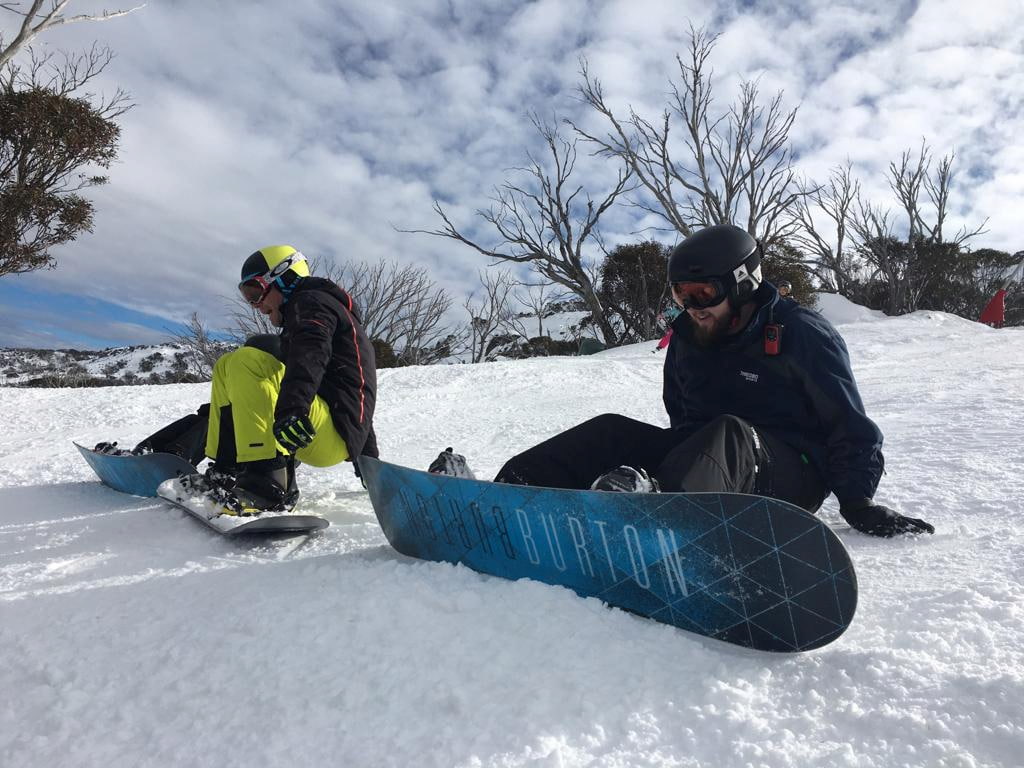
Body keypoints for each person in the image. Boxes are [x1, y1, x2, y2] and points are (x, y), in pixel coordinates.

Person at [433, 225, 933, 538]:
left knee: (731, 431)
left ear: (741, 285)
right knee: (611, 430)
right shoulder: (689, 339)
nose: (692, 306)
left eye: (704, 293)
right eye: (682, 294)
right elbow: (681, 418)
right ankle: (503, 498)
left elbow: (849, 424)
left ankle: (655, 520)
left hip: (789, 480)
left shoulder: (801, 333)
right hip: (711, 469)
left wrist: (858, 502)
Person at [122, 245, 378, 514]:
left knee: (249, 361)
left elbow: (312, 357)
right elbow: (354, 389)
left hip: (326, 434)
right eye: (248, 297)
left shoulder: (312, 302)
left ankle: (268, 486)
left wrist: (294, 409)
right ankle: (227, 471)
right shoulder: (308, 314)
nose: (256, 306)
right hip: (315, 429)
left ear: (285, 277)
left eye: (255, 293)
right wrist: (372, 467)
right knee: (226, 364)